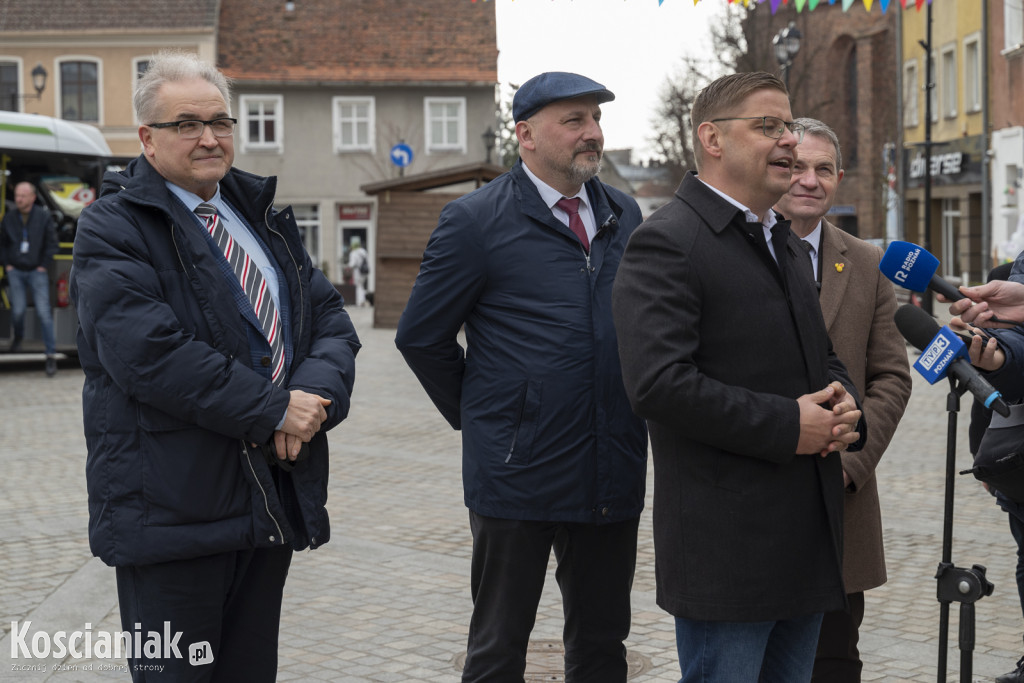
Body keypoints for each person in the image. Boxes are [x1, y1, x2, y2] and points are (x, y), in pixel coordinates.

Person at [69, 51, 360, 682]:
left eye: (221, 122)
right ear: (147, 138)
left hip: (267, 498)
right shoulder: (112, 229)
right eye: (186, 124)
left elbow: (330, 323)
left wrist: (310, 393)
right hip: (172, 512)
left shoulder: (261, 219)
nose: (209, 137)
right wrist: (273, 408)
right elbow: (148, 353)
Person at [611, 72, 865, 682]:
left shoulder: (775, 236)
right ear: (713, 139)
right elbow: (658, 384)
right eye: (768, 126)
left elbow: (820, 356)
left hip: (805, 542)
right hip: (728, 553)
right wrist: (789, 425)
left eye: (789, 125)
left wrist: (842, 402)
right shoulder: (667, 242)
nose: (788, 141)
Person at [395, 71, 648, 683]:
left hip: (610, 464)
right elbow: (420, 337)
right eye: (574, 121)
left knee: (602, 646)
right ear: (525, 135)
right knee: (498, 648)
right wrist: (493, 421)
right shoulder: (475, 220)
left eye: (595, 119)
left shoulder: (624, 212)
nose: (592, 133)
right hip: (517, 477)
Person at [773, 117, 912, 682]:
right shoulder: (734, 253)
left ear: (839, 178)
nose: (810, 180)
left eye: (823, 169)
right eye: (797, 166)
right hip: (759, 500)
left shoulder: (867, 262)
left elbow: (891, 378)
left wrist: (850, 464)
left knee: (834, 662)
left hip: (841, 508)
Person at [0, 181, 59, 375]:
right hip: (15, 271)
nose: (18, 199)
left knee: (44, 313)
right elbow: (2, 243)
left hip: (36, 271)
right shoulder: (9, 218)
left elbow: (52, 243)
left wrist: (43, 265)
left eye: (23, 196)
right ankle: (18, 338)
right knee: (17, 311)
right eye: (17, 195)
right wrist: (7, 264)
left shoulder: (43, 217)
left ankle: (50, 356)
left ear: (33, 197)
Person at [347, 237, 369, 306]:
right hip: (364, 271)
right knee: (362, 286)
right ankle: (363, 300)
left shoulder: (353, 253)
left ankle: (359, 302)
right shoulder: (363, 251)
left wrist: (347, 266)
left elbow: (352, 264)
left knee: (358, 286)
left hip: (357, 272)